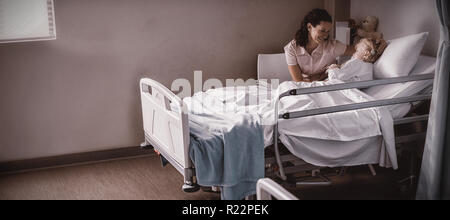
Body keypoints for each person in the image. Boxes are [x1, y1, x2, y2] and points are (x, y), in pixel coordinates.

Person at [284, 8, 355, 82]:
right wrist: (316, 78)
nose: (325, 36)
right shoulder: (291, 49)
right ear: (309, 27)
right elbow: (298, 80)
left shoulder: (333, 46)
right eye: (322, 31)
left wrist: (340, 67)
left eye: (328, 31)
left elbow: (359, 51)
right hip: (303, 86)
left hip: (325, 83)